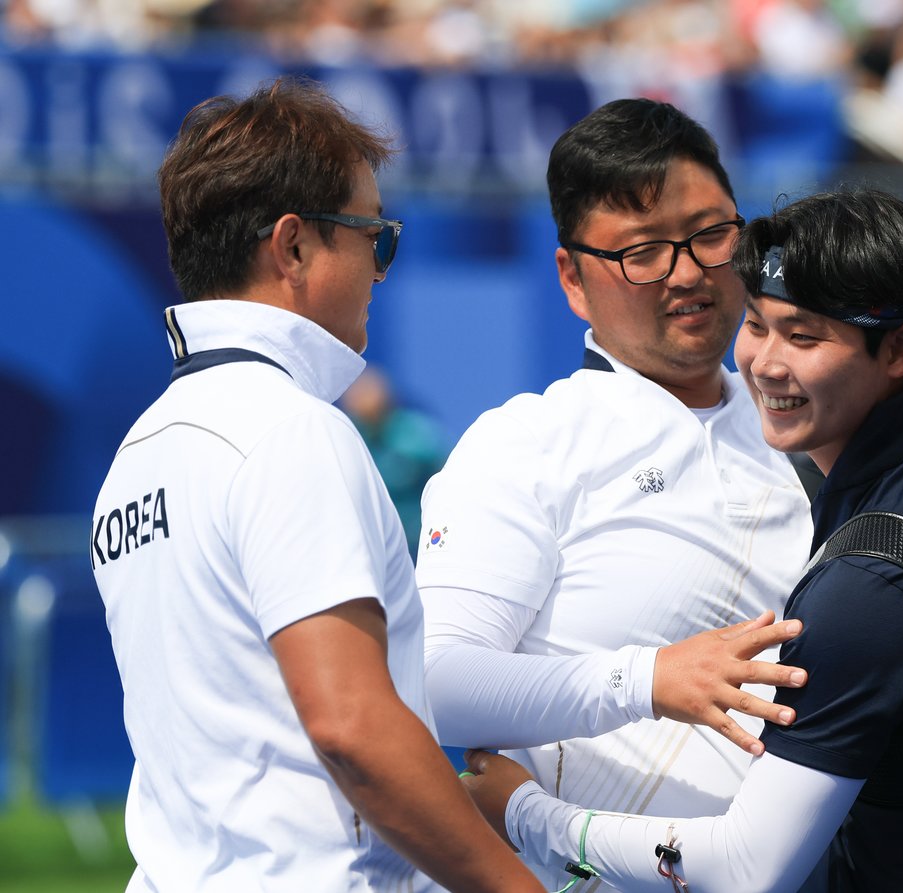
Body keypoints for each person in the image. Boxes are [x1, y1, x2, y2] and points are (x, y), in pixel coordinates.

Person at [90, 78, 542, 893]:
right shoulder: (288, 427)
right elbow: (352, 726)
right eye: (376, 235)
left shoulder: (141, 448)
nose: (380, 268)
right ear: (293, 246)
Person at [461, 188, 903, 893]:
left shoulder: (871, 585)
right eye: (758, 325)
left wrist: (525, 813)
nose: (764, 363)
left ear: (900, 349)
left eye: (803, 337)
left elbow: (744, 868)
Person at [413, 98, 815, 887]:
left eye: (711, 234)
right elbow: (433, 683)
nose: (690, 272)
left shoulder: (815, 438)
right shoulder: (528, 441)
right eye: (641, 252)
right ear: (571, 276)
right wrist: (648, 679)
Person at [341, 364, 447, 547]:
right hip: (375, 541)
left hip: (421, 540)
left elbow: (448, 475)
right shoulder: (349, 437)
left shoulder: (415, 434)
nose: (363, 403)